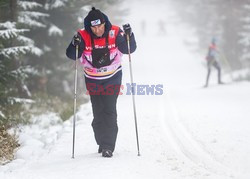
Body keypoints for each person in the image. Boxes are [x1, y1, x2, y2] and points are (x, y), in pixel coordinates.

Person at [66, 7, 137, 158]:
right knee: (98, 112)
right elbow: (72, 55)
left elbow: (129, 49)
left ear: (105, 23)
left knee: (109, 110)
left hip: (113, 77)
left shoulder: (115, 32)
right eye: (94, 27)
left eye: (100, 26)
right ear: (89, 26)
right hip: (92, 79)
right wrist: (74, 44)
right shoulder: (82, 35)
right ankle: (101, 142)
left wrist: (130, 36)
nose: (97, 30)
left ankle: (108, 146)